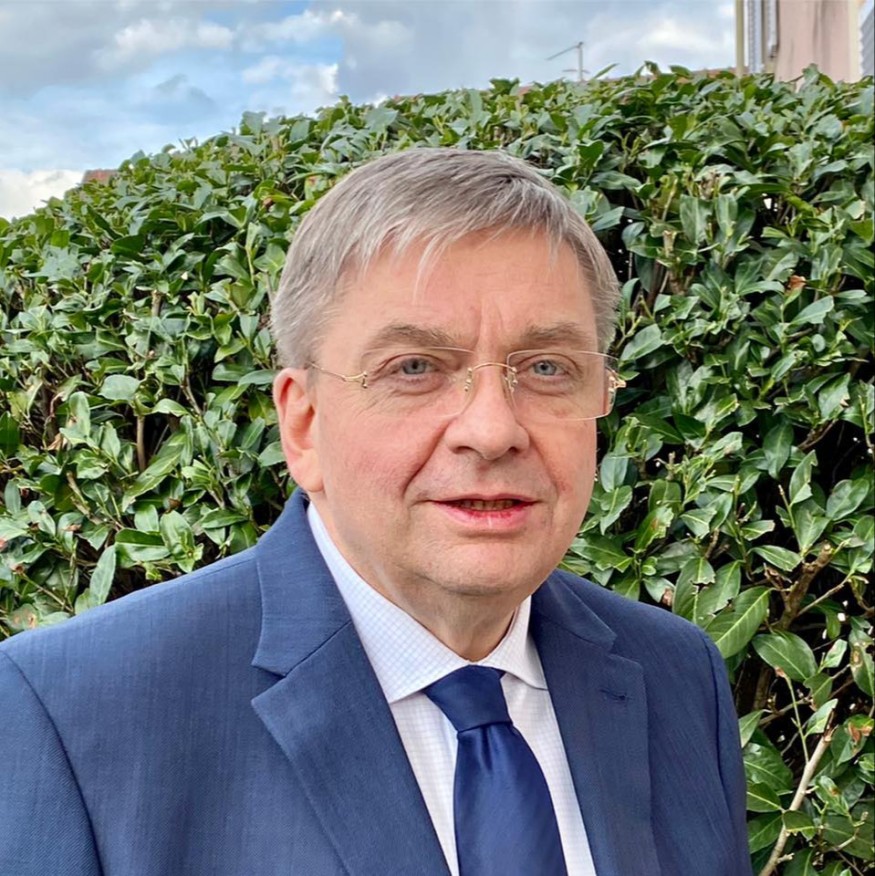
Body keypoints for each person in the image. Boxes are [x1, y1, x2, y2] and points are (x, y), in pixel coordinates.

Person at [0, 148, 752, 876]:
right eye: (414, 368)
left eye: (547, 367)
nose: (492, 429)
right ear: (303, 424)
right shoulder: (72, 713)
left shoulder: (676, 673)